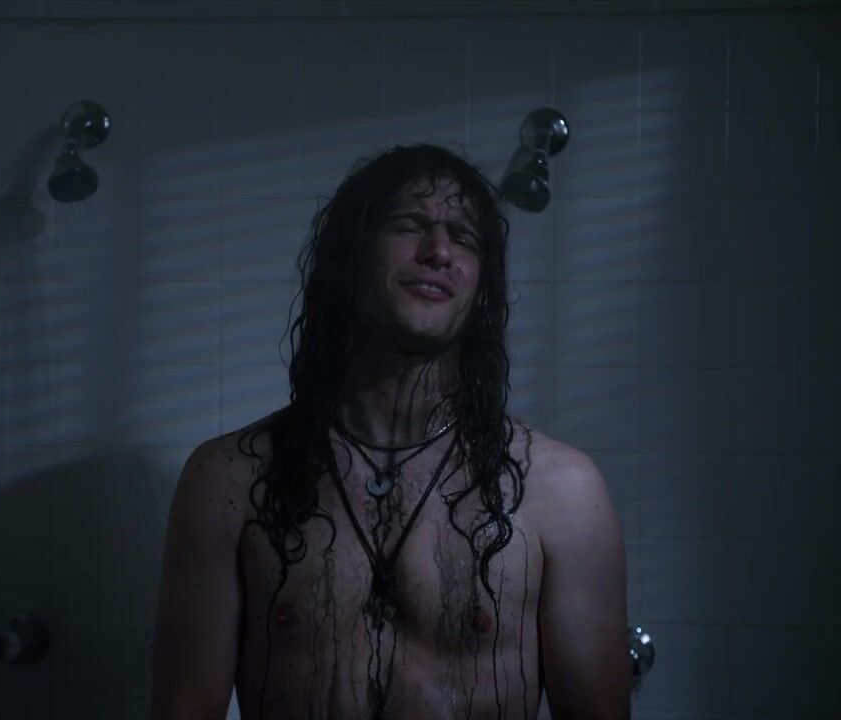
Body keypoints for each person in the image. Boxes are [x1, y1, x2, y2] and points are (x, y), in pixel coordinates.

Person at [150, 143, 629, 720]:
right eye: (410, 225)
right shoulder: (230, 480)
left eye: (464, 237)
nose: (439, 251)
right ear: (350, 256)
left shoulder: (560, 490)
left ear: (482, 289)